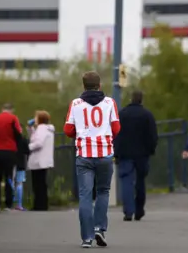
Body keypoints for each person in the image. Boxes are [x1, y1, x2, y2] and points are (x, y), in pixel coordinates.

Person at [64, 71, 121, 248]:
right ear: (99, 85)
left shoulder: (76, 104)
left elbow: (67, 130)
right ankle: (99, 228)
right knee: (103, 192)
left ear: (83, 86)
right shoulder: (110, 102)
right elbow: (116, 128)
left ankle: (86, 238)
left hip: (84, 154)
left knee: (85, 195)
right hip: (104, 153)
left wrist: (80, 134)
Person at [113, 90, 158, 222]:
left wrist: (116, 152)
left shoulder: (121, 115)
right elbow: (153, 136)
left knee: (126, 180)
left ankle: (128, 211)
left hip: (125, 153)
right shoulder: (147, 115)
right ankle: (139, 210)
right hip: (142, 154)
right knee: (140, 181)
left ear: (131, 99)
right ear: (141, 100)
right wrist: (151, 150)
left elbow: (115, 134)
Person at [27, 110, 55, 212]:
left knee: (38, 184)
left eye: (36, 117)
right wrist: (30, 128)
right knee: (41, 183)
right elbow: (34, 137)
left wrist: (28, 148)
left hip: (39, 160)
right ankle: (41, 204)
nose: (34, 119)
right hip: (43, 160)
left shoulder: (42, 129)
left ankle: (39, 205)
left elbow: (38, 143)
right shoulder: (45, 129)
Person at [13, 130, 30, 211]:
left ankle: (11, 202)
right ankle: (19, 204)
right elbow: (27, 151)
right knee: (20, 183)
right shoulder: (23, 139)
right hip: (21, 163)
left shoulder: (10, 139)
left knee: (11, 181)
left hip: (10, 162)